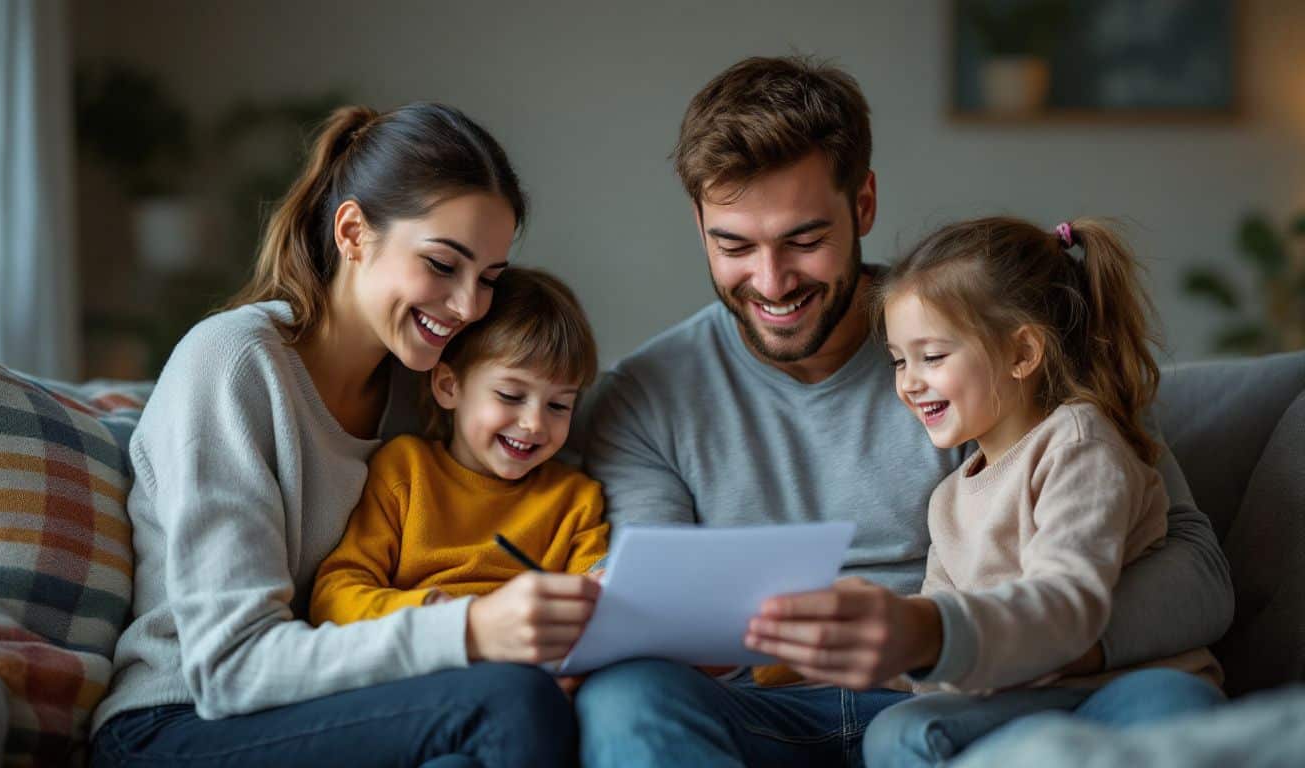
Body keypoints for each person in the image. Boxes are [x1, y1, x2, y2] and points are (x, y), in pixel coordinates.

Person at [574, 56, 1233, 767]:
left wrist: (974, 644)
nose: (770, 282)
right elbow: (662, 610)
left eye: (804, 240)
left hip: (981, 698)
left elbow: (1198, 577)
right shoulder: (641, 400)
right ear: (699, 224)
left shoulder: (990, 340)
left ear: (863, 204)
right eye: (733, 245)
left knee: (1171, 707)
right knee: (625, 697)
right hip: (771, 711)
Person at [90, 104, 598, 768]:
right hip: (179, 721)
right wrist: (469, 630)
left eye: (489, 280)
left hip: (335, 713)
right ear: (354, 232)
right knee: (508, 704)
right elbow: (232, 667)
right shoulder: (235, 362)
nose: (470, 306)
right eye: (444, 265)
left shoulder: (424, 393)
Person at [859, 216, 1224, 767]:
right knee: (896, 733)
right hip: (1020, 702)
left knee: (1176, 706)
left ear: (1022, 354)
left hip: (1120, 687)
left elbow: (1066, 599)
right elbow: (938, 637)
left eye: (932, 356)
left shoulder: (1080, 442)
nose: (909, 381)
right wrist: (865, 647)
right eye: (899, 361)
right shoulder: (948, 500)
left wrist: (932, 636)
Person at [309, 266, 607, 697]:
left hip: (529, 688)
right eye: (510, 395)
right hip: (423, 680)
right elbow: (333, 598)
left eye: (559, 405)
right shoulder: (404, 472)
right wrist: (442, 618)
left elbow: (597, 603)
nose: (534, 423)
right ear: (449, 386)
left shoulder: (576, 498)